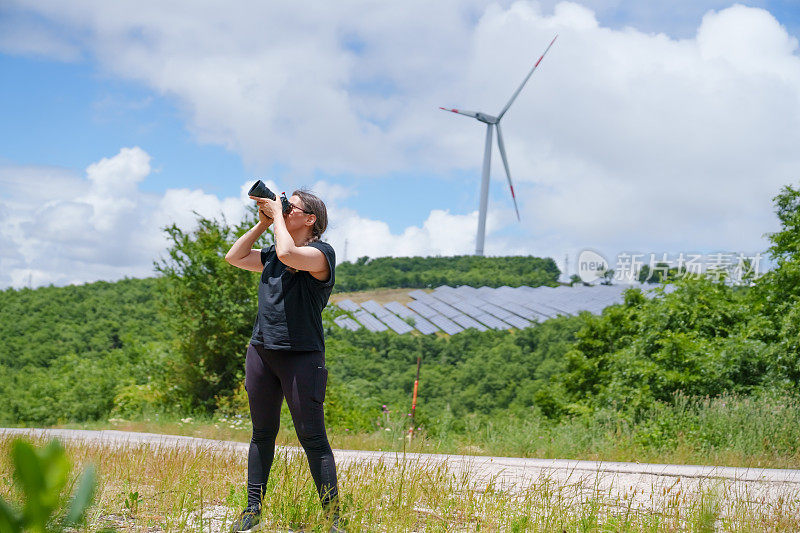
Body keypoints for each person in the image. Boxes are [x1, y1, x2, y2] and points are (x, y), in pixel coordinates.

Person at [224, 188, 343, 533]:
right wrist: (264, 223)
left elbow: (291, 254)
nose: (286, 209)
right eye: (285, 204)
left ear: (311, 220)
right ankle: (251, 510)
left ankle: (333, 519)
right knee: (262, 433)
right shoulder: (275, 252)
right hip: (262, 351)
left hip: (302, 357)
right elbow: (234, 256)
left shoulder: (321, 253)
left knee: (313, 438)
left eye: (292, 207)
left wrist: (277, 216)